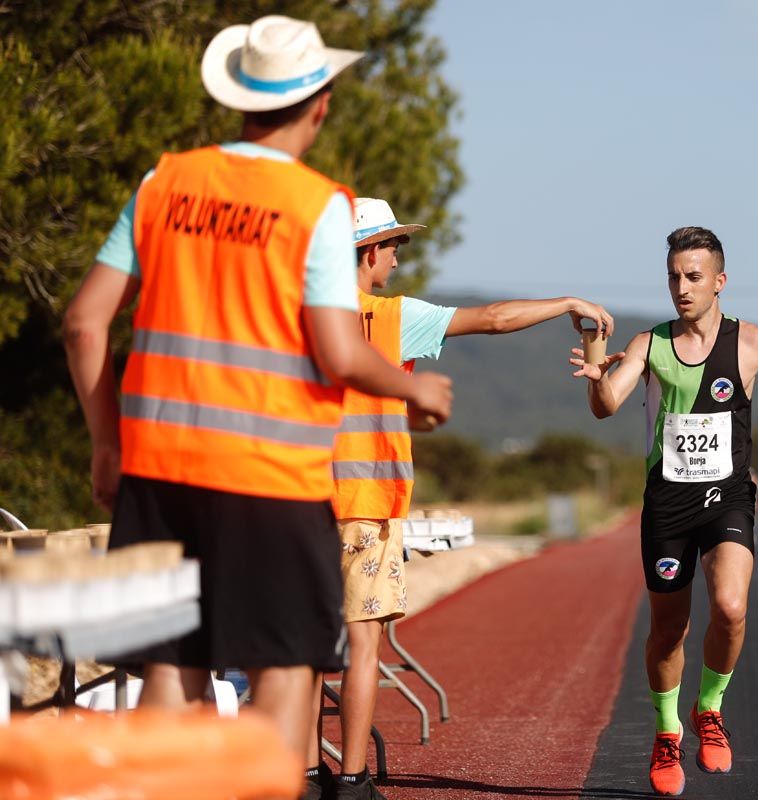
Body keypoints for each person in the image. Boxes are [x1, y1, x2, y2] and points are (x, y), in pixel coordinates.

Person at [62, 15, 453, 793]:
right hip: (272, 478)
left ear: (237, 98)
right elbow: (339, 352)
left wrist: (106, 445)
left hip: (159, 476)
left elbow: (82, 322)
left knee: (172, 669)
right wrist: (415, 386)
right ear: (321, 105)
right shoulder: (317, 207)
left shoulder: (161, 183)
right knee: (286, 665)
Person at [305, 197, 614, 800]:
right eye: (394, 247)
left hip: (298, 498)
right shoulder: (392, 318)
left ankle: (304, 774)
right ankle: (352, 779)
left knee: (298, 650)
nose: (397, 259)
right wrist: (565, 304)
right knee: (362, 643)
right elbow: (495, 319)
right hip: (366, 499)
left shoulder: (300, 317)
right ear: (368, 252)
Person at [569, 226, 758, 796]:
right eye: (674, 277)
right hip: (668, 503)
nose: (681, 288)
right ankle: (665, 730)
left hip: (727, 495)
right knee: (669, 630)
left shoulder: (752, 343)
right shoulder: (649, 345)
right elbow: (607, 406)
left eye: (694, 277)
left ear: (720, 282)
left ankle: (709, 710)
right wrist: (595, 366)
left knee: (730, 607)